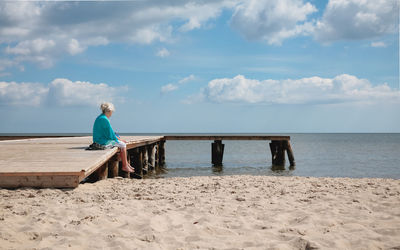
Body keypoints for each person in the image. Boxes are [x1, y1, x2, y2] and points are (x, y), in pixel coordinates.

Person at [93, 102, 134, 173]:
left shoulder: (101, 117)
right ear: (109, 111)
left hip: (99, 139)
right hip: (101, 141)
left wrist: (117, 137)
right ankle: (124, 166)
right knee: (123, 144)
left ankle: (126, 163)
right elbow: (110, 134)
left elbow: (109, 132)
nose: (112, 113)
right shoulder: (104, 119)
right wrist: (119, 139)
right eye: (112, 112)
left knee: (120, 142)